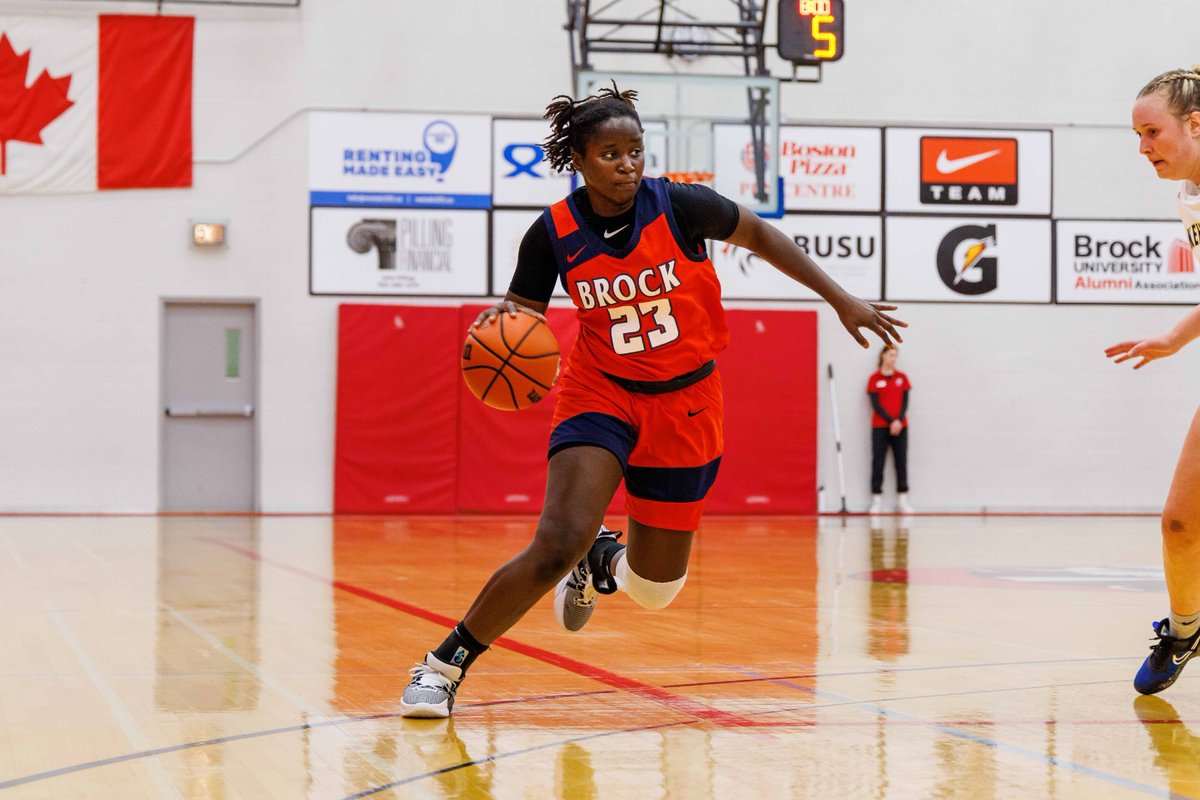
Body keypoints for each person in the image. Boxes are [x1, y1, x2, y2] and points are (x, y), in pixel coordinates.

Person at [400, 83, 906, 718]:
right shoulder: (551, 234)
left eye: (635, 150)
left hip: (687, 402)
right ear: (578, 160)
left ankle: (600, 559)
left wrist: (840, 298)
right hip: (600, 390)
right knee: (557, 539)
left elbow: (763, 237)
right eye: (610, 153)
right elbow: (521, 320)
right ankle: (443, 666)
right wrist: (500, 342)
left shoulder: (683, 206)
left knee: (657, 590)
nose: (627, 164)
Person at [1109, 65, 1200, 695]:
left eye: (1151, 132)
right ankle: (1186, 628)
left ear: (1195, 126)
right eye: (1136, 135)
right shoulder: (1190, 198)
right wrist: (1174, 336)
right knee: (1179, 523)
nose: (1142, 148)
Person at [866, 345, 914, 515]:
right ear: (883, 355)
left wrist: (898, 421)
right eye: (891, 355)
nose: (893, 358)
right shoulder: (874, 378)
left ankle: (902, 499)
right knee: (878, 461)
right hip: (880, 426)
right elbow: (875, 404)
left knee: (901, 461)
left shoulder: (902, 378)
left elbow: (905, 402)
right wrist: (890, 420)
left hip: (900, 427)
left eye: (896, 355)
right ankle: (876, 499)